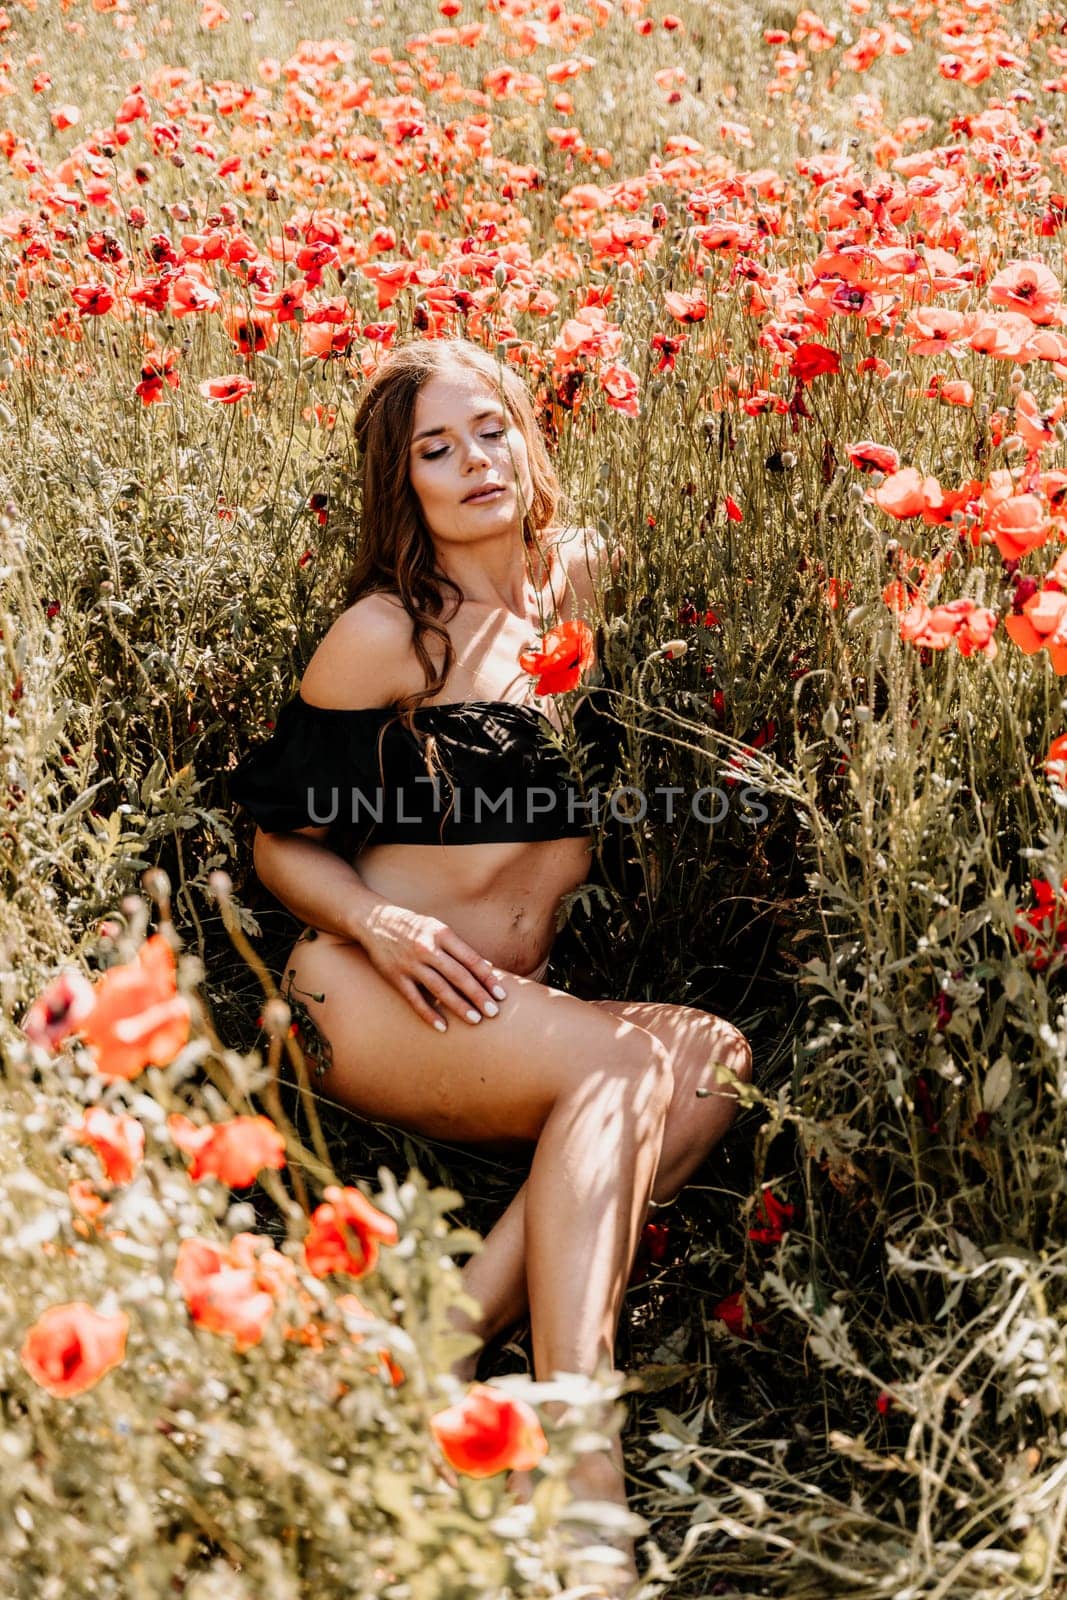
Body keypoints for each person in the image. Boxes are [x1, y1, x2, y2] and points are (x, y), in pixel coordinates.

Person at [230, 336, 752, 1595]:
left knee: (713, 1060)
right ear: (400, 484)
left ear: (529, 438)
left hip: (504, 1009)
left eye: (491, 431)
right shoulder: (383, 637)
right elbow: (277, 847)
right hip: (365, 991)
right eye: (434, 448)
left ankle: (440, 1341)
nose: (472, 462)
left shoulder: (575, 587)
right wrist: (379, 924)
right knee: (630, 1072)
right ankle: (585, 1479)